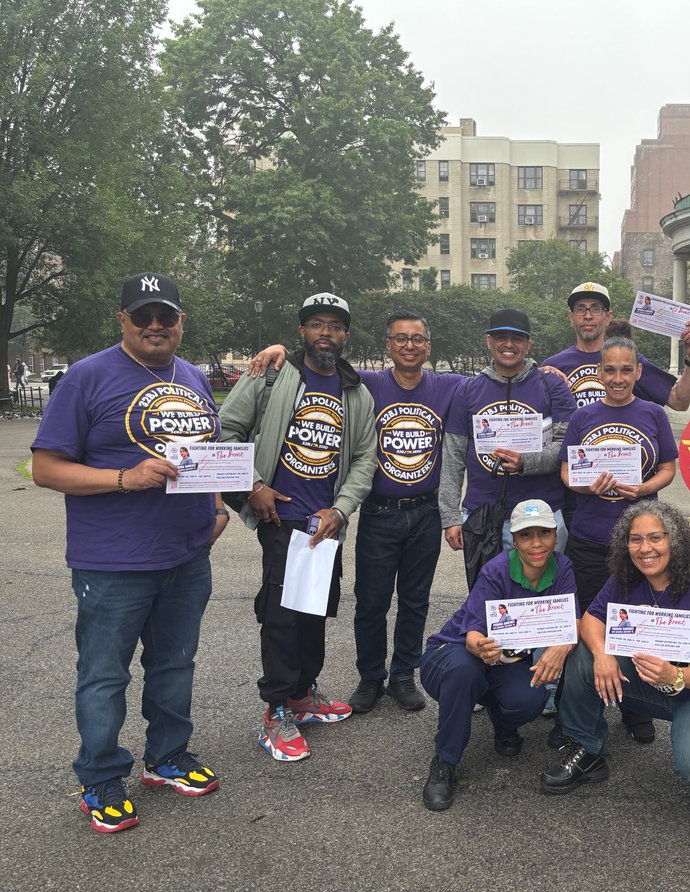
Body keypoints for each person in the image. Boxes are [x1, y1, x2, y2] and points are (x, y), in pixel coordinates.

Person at [31, 272, 227, 832]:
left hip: (186, 554)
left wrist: (214, 509)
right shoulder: (86, 377)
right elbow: (45, 468)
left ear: (181, 322)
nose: (155, 326)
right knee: (103, 674)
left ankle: (166, 757)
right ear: (123, 320)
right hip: (112, 560)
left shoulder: (192, 377)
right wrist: (125, 477)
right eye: (143, 316)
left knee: (174, 664)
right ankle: (100, 776)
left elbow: (205, 454)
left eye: (166, 316)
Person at [248, 310, 464, 715]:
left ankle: (403, 675)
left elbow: (495, 381)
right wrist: (279, 350)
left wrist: (544, 373)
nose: (409, 345)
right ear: (388, 346)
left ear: (429, 347)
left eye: (417, 339)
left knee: (415, 600)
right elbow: (317, 361)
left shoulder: (449, 386)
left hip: (425, 512)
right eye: (400, 338)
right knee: (371, 601)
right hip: (379, 513)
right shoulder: (366, 382)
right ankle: (370, 677)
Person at [218, 293, 376, 761]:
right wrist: (254, 486)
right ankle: (276, 710)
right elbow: (226, 431)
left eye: (335, 326)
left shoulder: (356, 391)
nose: (326, 333)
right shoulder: (270, 375)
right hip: (280, 517)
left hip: (325, 523)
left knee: (314, 610)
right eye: (316, 324)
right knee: (282, 615)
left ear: (346, 336)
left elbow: (365, 458)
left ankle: (304, 694)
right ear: (302, 331)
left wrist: (341, 510)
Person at [541, 501, 690, 811]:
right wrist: (603, 654)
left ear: (674, 540)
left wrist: (676, 676)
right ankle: (588, 751)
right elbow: (592, 619)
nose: (645, 548)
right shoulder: (626, 578)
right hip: (658, 682)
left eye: (655, 538)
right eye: (635, 539)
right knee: (585, 653)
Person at [550, 334, 678, 747]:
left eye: (627, 370)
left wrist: (642, 489)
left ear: (638, 372)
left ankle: (635, 707)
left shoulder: (653, 413)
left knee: (636, 627)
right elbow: (568, 472)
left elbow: (668, 469)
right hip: (589, 538)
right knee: (581, 624)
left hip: (639, 544)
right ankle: (575, 713)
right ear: (599, 372)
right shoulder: (584, 417)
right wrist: (585, 486)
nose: (618, 378)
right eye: (611, 370)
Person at [419, 499, 578, 811]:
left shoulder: (563, 568)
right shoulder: (496, 569)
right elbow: (472, 636)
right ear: (514, 540)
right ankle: (444, 762)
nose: (536, 544)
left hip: (504, 662)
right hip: (451, 654)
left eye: (544, 534)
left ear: (555, 536)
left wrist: (562, 645)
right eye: (526, 535)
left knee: (530, 699)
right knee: (465, 672)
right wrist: (480, 646)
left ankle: (502, 718)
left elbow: (571, 620)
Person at [438, 308, 576, 585]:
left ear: (528, 345)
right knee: (490, 600)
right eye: (500, 337)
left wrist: (527, 462)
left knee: (541, 596)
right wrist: (450, 517)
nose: (509, 345)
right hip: (484, 515)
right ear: (489, 341)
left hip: (543, 513)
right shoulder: (468, 390)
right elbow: (453, 457)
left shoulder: (551, 385)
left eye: (517, 338)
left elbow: (568, 449)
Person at [544, 281, 690, 412]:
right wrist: (536, 373)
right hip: (575, 450)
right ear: (571, 317)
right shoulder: (553, 366)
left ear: (608, 317)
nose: (588, 316)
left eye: (595, 309)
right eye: (580, 309)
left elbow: (679, 402)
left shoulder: (629, 361)